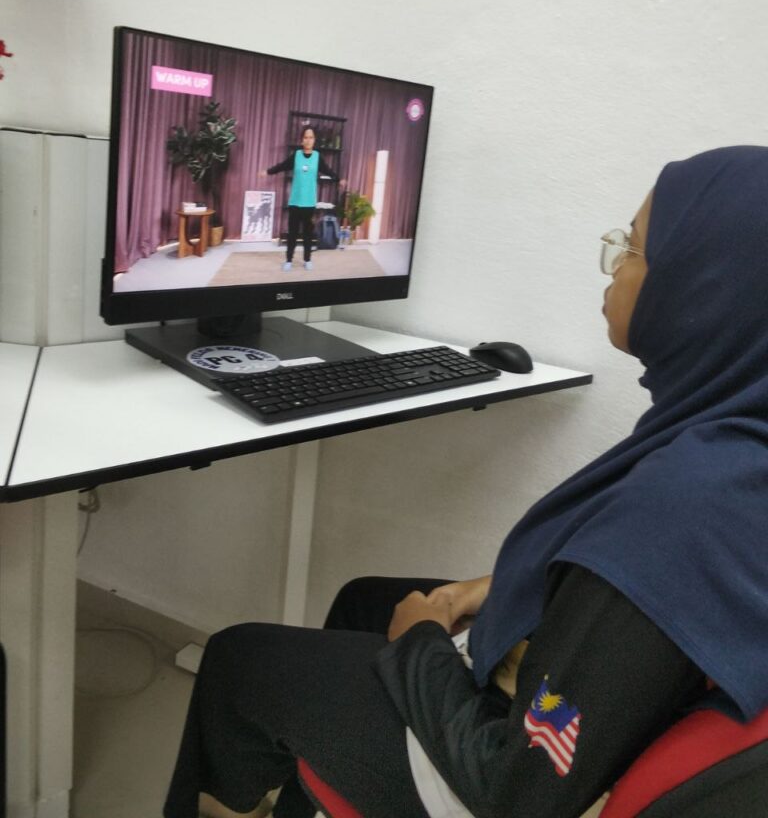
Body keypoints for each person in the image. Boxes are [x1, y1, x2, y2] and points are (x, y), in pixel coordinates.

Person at [164, 147, 768, 818]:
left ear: (705, 289)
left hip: (502, 776)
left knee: (239, 656)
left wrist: (422, 643)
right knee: (364, 600)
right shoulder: (736, 437)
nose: (614, 264)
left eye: (631, 248)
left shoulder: (677, 514)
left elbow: (516, 792)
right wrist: (497, 586)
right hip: (613, 707)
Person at [260, 127, 345, 271]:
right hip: (295, 202)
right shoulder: (296, 155)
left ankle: (307, 259)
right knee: (292, 234)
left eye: (311, 137)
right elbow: (282, 166)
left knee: (307, 234)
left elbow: (328, 171)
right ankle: (288, 260)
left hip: (309, 203)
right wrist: (267, 172)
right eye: (306, 137)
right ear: (302, 140)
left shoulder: (317, 157)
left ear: (314, 140)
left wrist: (339, 179)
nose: (308, 140)